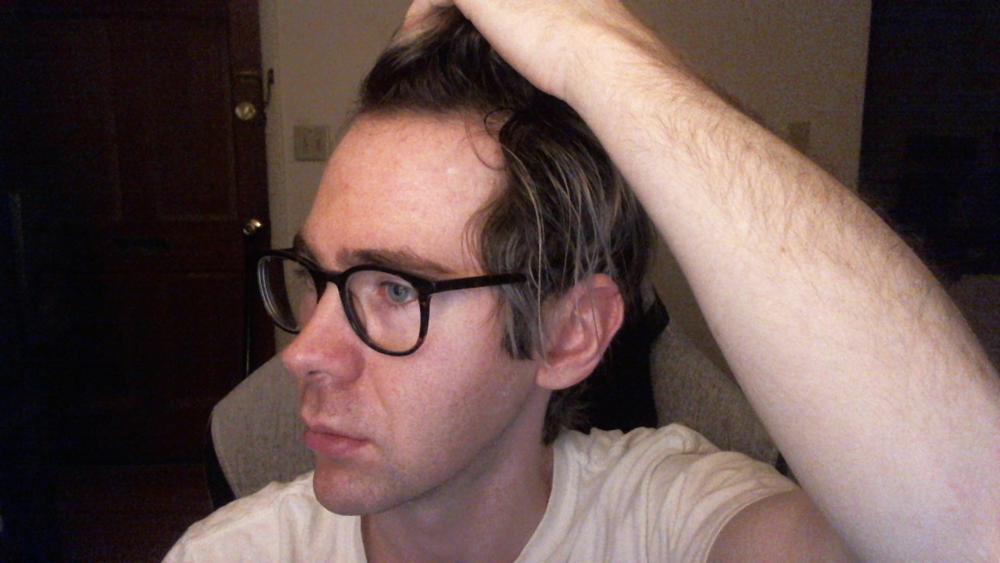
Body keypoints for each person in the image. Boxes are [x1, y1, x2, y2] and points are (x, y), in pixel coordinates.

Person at [166, 2, 1000, 562]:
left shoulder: (671, 522)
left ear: (570, 332)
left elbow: (971, 524)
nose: (304, 352)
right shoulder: (233, 553)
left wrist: (597, 52)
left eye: (394, 289)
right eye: (316, 277)